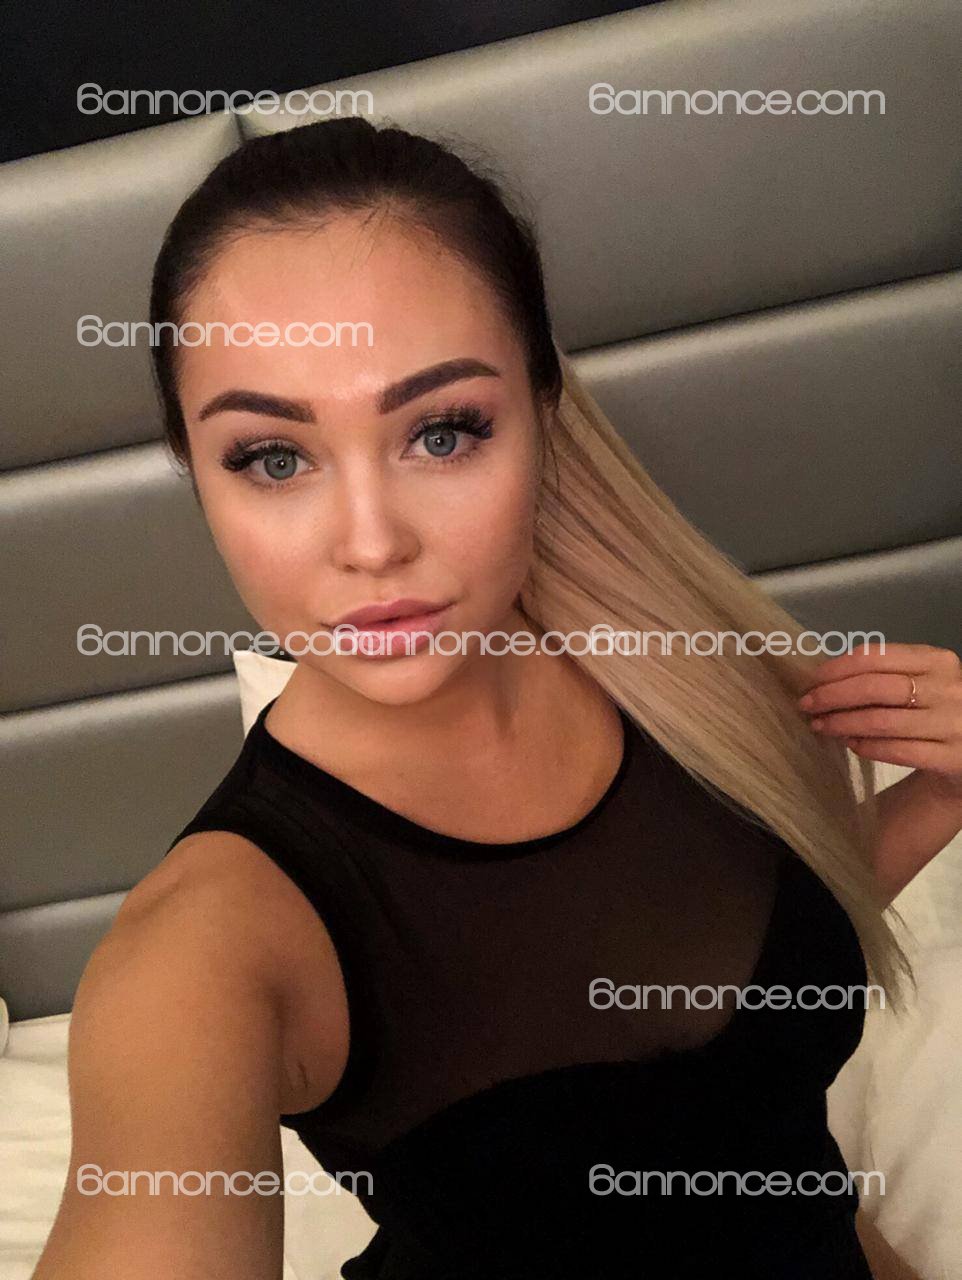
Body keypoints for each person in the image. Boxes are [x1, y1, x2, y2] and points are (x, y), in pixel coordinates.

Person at [36, 115, 948, 1280]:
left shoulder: (676, 669)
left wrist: (939, 796)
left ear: (539, 408)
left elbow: (748, 971)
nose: (371, 542)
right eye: (273, 456)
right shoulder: (205, 951)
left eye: (441, 432)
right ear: (193, 470)